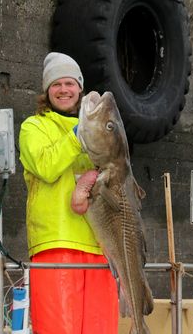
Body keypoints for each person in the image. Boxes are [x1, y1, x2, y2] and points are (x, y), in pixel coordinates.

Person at [19, 52, 119, 334]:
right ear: (47, 91)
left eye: (70, 84)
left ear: (80, 88)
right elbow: (46, 166)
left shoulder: (96, 129)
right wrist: (79, 135)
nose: (64, 90)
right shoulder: (33, 127)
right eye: (56, 84)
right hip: (56, 244)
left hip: (100, 245)